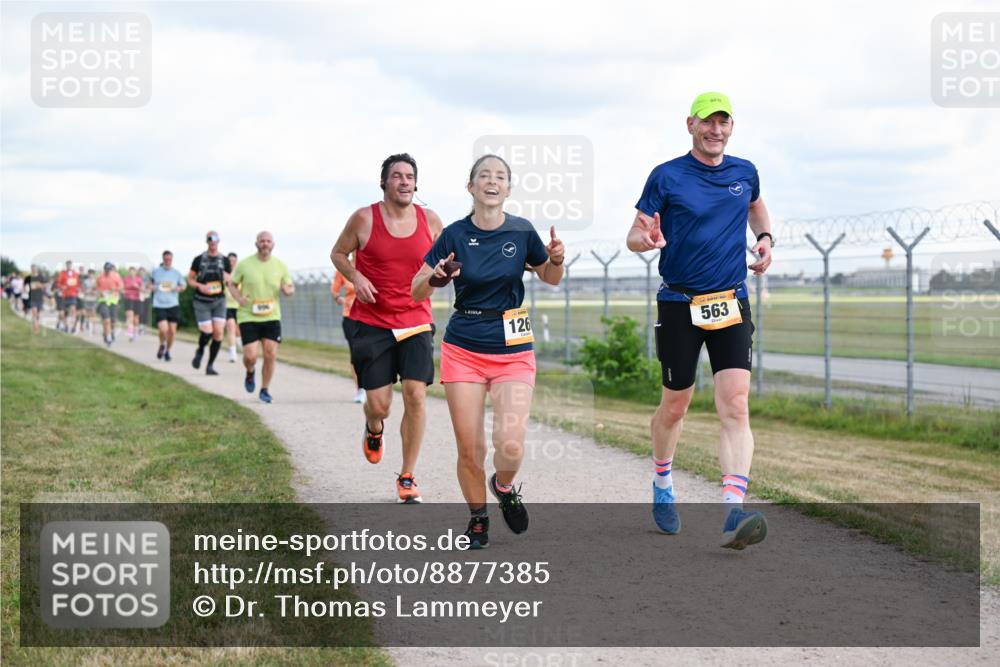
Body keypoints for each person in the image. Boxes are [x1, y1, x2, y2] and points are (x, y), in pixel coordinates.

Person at [627, 91, 774, 549]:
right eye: (707, 122)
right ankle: (663, 482)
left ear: (732, 127)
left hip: (730, 300)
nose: (716, 130)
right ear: (690, 124)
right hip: (679, 304)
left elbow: (754, 204)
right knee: (676, 404)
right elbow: (634, 232)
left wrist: (765, 236)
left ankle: (733, 510)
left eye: (723, 122)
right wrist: (645, 241)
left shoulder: (744, 172)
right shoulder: (666, 175)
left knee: (735, 403)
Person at [412, 154, 565, 548]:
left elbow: (548, 276)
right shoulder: (454, 234)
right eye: (484, 175)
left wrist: (557, 261)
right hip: (463, 347)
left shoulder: (522, 231)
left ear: (508, 189)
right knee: (470, 447)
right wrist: (437, 275)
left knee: (510, 444)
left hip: (513, 346)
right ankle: (478, 518)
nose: (492, 181)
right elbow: (417, 288)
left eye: (500, 176)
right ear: (471, 187)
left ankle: (504, 485)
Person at [331, 153, 444, 504]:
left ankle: (407, 476)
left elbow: (450, 257)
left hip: (416, 320)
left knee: (415, 393)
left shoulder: (431, 220)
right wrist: (356, 276)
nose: (405, 181)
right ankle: (374, 428)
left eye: (410, 176)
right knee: (379, 405)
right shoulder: (364, 218)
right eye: (397, 176)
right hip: (373, 322)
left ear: (416, 183)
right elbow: (338, 254)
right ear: (384, 183)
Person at [228, 231, 294, 404]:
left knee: (270, 354)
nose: (265, 243)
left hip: (272, 316)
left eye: (268, 241)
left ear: (273, 244)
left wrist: (288, 291)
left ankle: (265, 389)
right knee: (250, 356)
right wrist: (239, 298)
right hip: (248, 316)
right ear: (256, 243)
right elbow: (232, 284)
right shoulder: (244, 264)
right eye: (262, 241)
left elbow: (289, 286)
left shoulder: (280, 265)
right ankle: (250, 371)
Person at [187, 231, 232, 376]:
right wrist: (200, 286)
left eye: (215, 239)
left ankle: (210, 365)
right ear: (206, 241)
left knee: (218, 333)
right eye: (210, 239)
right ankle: (200, 350)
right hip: (202, 301)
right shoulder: (198, 259)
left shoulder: (224, 260)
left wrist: (228, 279)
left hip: (219, 300)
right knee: (207, 331)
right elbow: (190, 280)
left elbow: (229, 279)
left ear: (219, 241)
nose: (213, 242)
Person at [331, 257, 365, 403]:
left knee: (372, 352)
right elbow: (335, 290)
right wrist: (338, 297)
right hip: (350, 316)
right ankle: (360, 389)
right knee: (357, 353)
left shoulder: (372, 262)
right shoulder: (343, 268)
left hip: (371, 316)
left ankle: (376, 386)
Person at [151, 251, 185, 361]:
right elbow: (149, 284)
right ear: (163, 259)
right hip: (159, 304)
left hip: (173, 304)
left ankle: (168, 351)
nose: (167, 261)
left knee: (172, 331)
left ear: (172, 259)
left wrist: (179, 288)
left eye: (169, 259)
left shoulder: (176, 273)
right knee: (163, 329)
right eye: (165, 259)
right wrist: (152, 287)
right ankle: (162, 344)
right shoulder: (156, 272)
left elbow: (183, 285)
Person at [95, 262, 124, 346]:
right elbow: (96, 288)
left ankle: (110, 332)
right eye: (106, 270)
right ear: (104, 269)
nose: (107, 271)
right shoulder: (100, 277)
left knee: (113, 321)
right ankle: (108, 338)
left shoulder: (116, 276)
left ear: (111, 269)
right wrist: (100, 292)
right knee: (106, 320)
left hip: (114, 301)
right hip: (103, 300)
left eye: (109, 269)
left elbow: (121, 287)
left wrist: (114, 289)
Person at [224, 252, 241, 363]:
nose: (232, 263)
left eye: (234, 261)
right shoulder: (223, 274)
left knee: (238, 330)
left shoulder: (240, 274)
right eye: (229, 261)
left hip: (239, 305)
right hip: (227, 305)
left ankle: (239, 342)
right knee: (230, 327)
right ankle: (233, 353)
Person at [55, 260, 80, 333]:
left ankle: (73, 327)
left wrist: (77, 289)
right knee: (62, 313)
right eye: (67, 265)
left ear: (72, 265)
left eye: (70, 264)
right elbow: (58, 284)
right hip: (64, 296)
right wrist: (62, 287)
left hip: (72, 295)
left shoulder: (75, 274)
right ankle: (66, 326)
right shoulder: (62, 274)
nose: (69, 266)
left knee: (73, 310)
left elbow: (77, 284)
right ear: (66, 265)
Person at [122, 266, 143, 341]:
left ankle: (135, 333)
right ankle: (130, 333)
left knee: (136, 318)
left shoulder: (138, 279)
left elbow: (142, 289)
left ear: (135, 272)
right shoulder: (125, 279)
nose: (131, 273)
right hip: (128, 298)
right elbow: (122, 288)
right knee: (129, 316)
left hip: (137, 299)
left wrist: (137, 286)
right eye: (130, 271)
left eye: (133, 271)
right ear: (129, 272)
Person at [26, 266, 47, 334]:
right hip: (32, 298)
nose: (34, 270)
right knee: (34, 313)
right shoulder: (29, 278)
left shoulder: (41, 277)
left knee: (38, 315)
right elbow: (26, 287)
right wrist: (29, 288)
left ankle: (36, 325)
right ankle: (36, 328)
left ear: (37, 269)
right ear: (31, 270)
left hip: (40, 298)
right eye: (32, 269)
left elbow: (45, 286)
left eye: (35, 268)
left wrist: (37, 285)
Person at [79, 269, 98, 334]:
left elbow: (98, 290)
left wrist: (95, 292)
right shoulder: (85, 281)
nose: (91, 275)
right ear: (88, 274)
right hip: (87, 298)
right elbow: (82, 290)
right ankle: (87, 321)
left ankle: (94, 328)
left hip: (94, 299)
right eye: (90, 273)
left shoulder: (96, 281)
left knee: (93, 313)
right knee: (86, 313)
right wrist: (87, 292)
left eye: (92, 274)